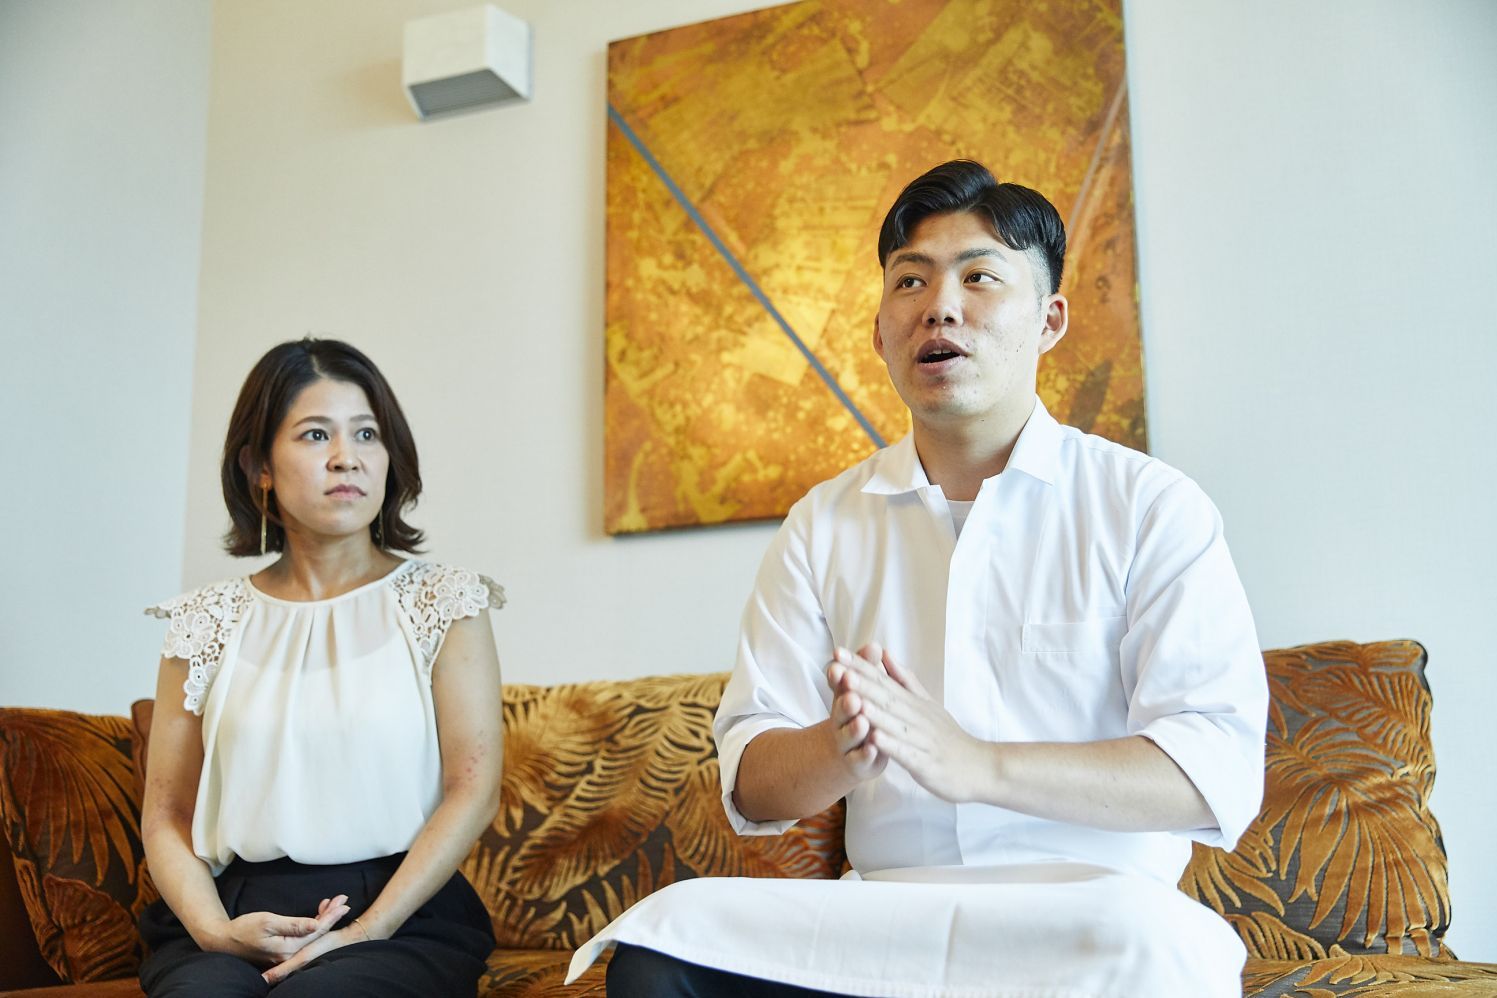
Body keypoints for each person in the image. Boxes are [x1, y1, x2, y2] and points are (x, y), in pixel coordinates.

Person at [569, 161, 1268, 996]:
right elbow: (753, 784)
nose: (939, 306)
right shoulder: (822, 524)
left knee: (1158, 945)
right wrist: (840, 747)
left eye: (979, 277)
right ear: (879, 332)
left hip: (1087, 920)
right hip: (883, 920)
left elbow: (1210, 769)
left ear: (1048, 320)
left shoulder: (1148, 506)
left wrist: (976, 764)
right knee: (669, 944)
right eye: (911, 281)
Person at [138, 338, 505, 998]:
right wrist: (215, 930)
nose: (346, 457)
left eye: (367, 434)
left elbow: (472, 790)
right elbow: (167, 813)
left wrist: (365, 929)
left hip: (398, 913)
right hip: (232, 910)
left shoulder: (445, 602)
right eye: (315, 434)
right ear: (259, 465)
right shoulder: (202, 621)